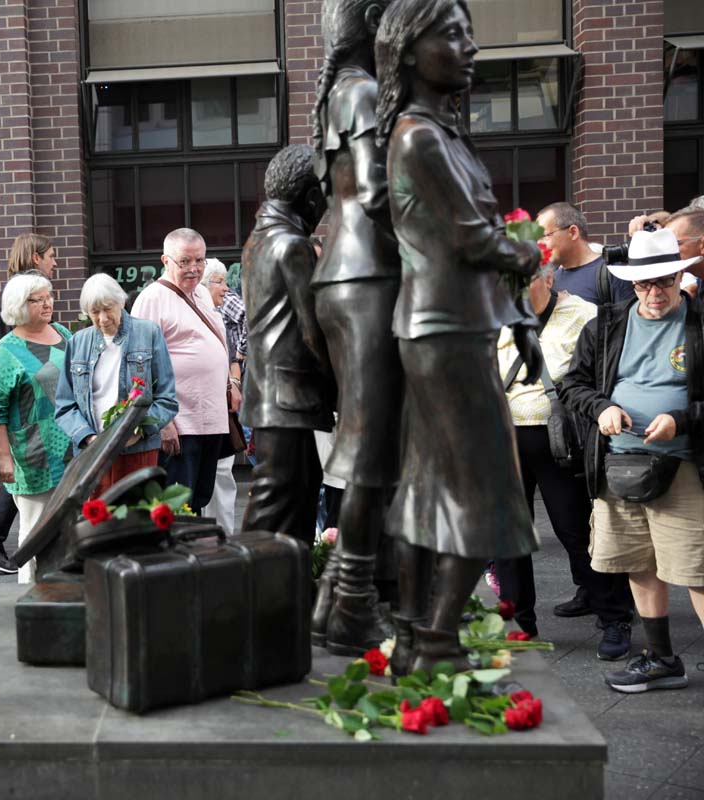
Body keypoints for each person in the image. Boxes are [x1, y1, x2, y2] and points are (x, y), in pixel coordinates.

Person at [375, 0, 542, 673]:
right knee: (485, 487)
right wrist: (527, 256)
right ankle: (436, 637)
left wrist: (522, 318)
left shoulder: (442, 137)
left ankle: (421, 633)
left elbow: (482, 234)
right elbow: (475, 238)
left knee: (431, 484)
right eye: (452, 34)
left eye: (470, 33)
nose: (470, 46)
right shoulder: (417, 138)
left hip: (452, 325)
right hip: (443, 330)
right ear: (410, 50)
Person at [561, 227, 704, 693]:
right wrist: (602, 408)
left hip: (682, 466)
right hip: (619, 465)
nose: (653, 293)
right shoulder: (606, 323)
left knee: (696, 570)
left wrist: (681, 420)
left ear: (679, 274)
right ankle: (662, 659)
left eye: (662, 281)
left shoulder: (699, 323)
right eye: (643, 284)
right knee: (639, 563)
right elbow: (573, 384)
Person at [311, 0, 407, 656]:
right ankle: (351, 598)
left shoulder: (339, 92)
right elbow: (378, 191)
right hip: (368, 276)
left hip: (345, 276)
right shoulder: (365, 90)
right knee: (372, 444)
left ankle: (339, 599)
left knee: (366, 438)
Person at [495, 262, 634, 657]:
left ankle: (613, 618)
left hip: (561, 440)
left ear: (549, 279)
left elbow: (603, 372)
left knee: (577, 532)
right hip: (504, 441)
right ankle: (518, 625)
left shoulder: (583, 314)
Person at [240, 144, 334, 540]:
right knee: (278, 496)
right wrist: (340, 385)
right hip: (289, 395)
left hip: (268, 391)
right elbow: (314, 330)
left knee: (299, 488)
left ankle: (285, 580)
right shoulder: (293, 244)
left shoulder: (257, 240)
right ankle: (247, 581)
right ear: (311, 198)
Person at [131, 229, 234, 513]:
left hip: (210, 420)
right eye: (185, 261)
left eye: (199, 260)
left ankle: (194, 554)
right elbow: (138, 367)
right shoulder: (152, 299)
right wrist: (161, 422)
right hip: (179, 424)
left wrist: (230, 382)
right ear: (166, 261)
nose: (194, 269)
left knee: (199, 498)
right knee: (176, 506)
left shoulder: (202, 292)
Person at [0, 273, 72, 583]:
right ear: (19, 305)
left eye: (49, 296)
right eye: (37, 299)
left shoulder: (63, 334)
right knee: (35, 532)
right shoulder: (6, 351)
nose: (47, 303)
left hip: (72, 449)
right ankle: (28, 598)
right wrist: (3, 456)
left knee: (69, 530)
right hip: (32, 453)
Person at [54, 273, 178, 494]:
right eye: (94, 312)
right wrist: (89, 438)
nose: (102, 318)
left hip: (138, 449)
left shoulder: (148, 333)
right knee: (96, 521)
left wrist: (138, 432)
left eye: (108, 308)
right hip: (91, 454)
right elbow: (65, 405)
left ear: (120, 302)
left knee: (136, 517)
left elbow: (167, 398)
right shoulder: (77, 343)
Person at [202, 258, 245, 534]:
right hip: (202, 413)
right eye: (219, 282)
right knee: (212, 479)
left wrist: (234, 382)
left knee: (223, 476)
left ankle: (225, 536)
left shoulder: (218, 317)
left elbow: (231, 360)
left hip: (222, 411)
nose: (226, 288)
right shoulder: (201, 316)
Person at [537, 202, 636, 306]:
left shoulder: (614, 274)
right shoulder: (550, 280)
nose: (539, 244)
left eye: (545, 236)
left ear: (573, 232)